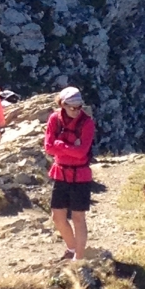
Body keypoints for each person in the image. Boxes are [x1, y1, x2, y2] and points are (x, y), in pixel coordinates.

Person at [44, 86, 95, 261]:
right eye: (72, 107)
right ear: (62, 105)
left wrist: (60, 145)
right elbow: (48, 147)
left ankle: (79, 259)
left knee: (78, 217)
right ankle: (72, 248)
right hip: (61, 173)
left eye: (79, 107)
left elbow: (81, 153)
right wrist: (70, 147)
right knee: (57, 217)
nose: (77, 111)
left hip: (80, 175)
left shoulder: (87, 122)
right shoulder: (54, 119)